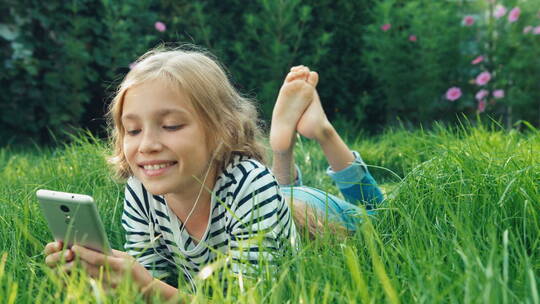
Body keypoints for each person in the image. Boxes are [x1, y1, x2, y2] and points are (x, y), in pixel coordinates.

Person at [43, 46, 383, 300]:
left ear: (220, 130)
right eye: (132, 131)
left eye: (171, 125)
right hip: (272, 200)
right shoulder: (141, 188)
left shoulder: (251, 183)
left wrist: (145, 286)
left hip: (320, 212)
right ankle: (282, 144)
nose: (146, 145)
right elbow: (156, 278)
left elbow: (249, 296)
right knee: (277, 194)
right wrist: (106, 278)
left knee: (379, 214)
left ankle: (321, 131)